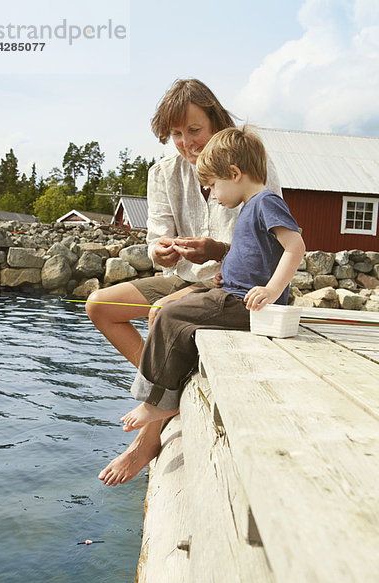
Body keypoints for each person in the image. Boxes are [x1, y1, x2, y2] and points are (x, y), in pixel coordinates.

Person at [87, 79, 281, 486]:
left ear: (215, 120)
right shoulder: (163, 173)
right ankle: (169, 390)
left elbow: (269, 246)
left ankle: (148, 437)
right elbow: (157, 235)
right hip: (180, 279)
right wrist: (160, 251)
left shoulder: (250, 164)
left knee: (162, 313)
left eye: (194, 130)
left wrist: (216, 250)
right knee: (100, 306)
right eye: (176, 134)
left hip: (228, 284)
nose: (186, 142)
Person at [120, 125, 305, 431]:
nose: (214, 196)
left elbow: (295, 246)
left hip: (244, 303)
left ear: (234, 173)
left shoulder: (265, 202)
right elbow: (254, 253)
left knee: (169, 316)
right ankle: (169, 392)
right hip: (232, 293)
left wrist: (272, 290)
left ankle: (156, 403)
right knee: (170, 307)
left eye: (214, 186)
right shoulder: (251, 206)